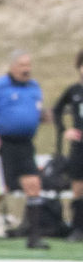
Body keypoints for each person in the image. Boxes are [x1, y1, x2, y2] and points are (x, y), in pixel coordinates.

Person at [0, 49, 51, 248]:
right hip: (4, 144)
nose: (26, 69)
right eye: (22, 65)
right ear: (12, 66)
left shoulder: (34, 87)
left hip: (25, 145)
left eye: (28, 65)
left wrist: (41, 117)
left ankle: (33, 238)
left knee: (33, 185)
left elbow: (33, 110)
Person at [53, 49, 83, 242]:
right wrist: (65, 130)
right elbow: (56, 110)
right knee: (78, 189)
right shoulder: (74, 91)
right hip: (79, 148)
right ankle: (78, 228)